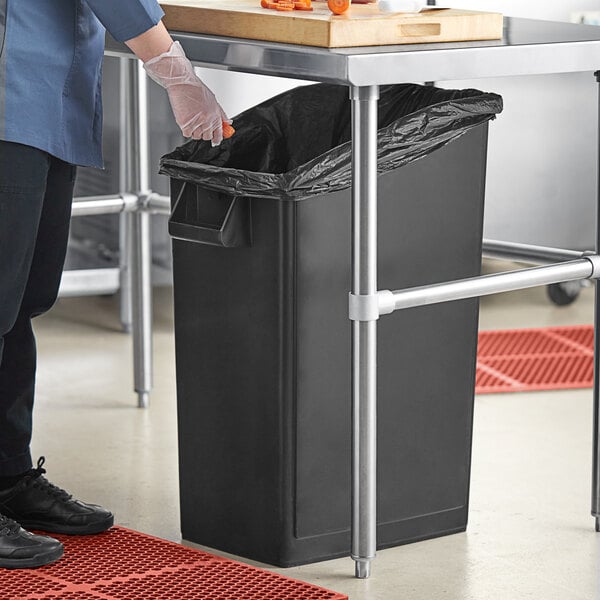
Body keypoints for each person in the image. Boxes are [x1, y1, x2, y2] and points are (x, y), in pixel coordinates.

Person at [0, 0, 229, 569]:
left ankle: (7, 477)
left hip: (43, 90)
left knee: (22, 301)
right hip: (8, 90)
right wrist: (175, 72)